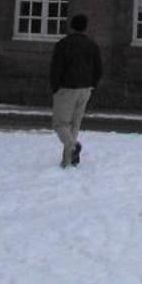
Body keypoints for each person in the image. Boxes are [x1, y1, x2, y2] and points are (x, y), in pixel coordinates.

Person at [49, 12, 103, 168]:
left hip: (66, 88)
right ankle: (68, 160)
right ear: (86, 27)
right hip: (85, 88)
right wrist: (92, 83)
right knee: (74, 124)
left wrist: (55, 87)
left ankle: (72, 146)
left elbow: (56, 68)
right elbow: (99, 68)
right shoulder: (92, 45)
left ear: (71, 26)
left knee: (60, 124)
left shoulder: (63, 44)